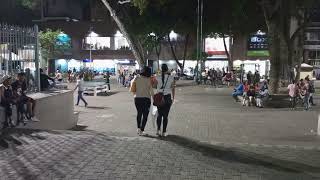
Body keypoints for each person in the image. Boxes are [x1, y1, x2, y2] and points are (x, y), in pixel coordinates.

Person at [129, 66, 154, 136]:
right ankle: (142, 130)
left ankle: (138, 129)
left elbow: (131, 86)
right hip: (146, 99)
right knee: (145, 115)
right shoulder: (148, 79)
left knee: (139, 113)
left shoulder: (136, 78)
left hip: (137, 99)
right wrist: (154, 99)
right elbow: (151, 90)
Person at [154, 64, 175, 137]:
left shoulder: (157, 77)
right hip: (167, 97)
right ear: (167, 69)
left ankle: (158, 130)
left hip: (159, 97)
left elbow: (154, 86)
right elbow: (173, 88)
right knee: (165, 116)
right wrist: (173, 98)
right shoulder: (171, 77)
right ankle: (164, 132)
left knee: (159, 115)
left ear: (161, 69)